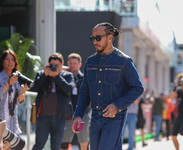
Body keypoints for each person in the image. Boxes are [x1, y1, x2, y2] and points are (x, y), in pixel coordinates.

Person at [71, 22, 144, 150]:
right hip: (95, 117)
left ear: (110, 37)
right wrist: (78, 115)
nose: (95, 41)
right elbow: (84, 92)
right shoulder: (90, 62)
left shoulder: (124, 61)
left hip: (115, 118)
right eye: (93, 38)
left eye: (98, 38)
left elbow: (137, 88)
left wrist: (117, 105)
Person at [31, 52, 74, 150]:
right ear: (48, 65)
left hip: (60, 117)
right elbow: (34, 88)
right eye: (52, 65)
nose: (55, 67)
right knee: (38, 145)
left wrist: (57, 76)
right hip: (43, 116)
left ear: (62, 65)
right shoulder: (42, 74)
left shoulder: (68, 75)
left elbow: (68, 90)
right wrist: (44, 76)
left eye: (57, 65)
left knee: (56, 147)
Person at [0, 50, 29, 150]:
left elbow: (19, 103)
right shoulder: (0, 77)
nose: (10, 62)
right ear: (2, 62)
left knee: (12, 147)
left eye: (12, 59)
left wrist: (23, 92)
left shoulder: (17, 79)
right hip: (1, 119)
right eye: (7, 59)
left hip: (12, 120)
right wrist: (8, 83)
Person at [61, 53, 90, 150]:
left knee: (83, 141)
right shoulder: (64, 78)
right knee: (64, 143)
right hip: (67, 115)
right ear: (67, 64)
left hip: (81, 115)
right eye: (71, 64)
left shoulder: (84, 78)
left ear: (80, 65)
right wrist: (66, 69)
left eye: (75, 64)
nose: (72, 66)